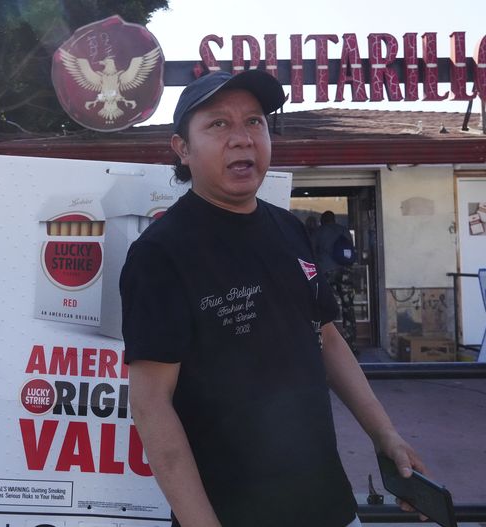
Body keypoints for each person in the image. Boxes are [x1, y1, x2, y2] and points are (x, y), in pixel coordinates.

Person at [120, 70, 425, 527]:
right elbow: (151, 406)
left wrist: (386, 435)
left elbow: (327, 338)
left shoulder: (289, 229)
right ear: (182, 148)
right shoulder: (161, 253)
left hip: (329, 506)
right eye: (218, 124)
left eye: (255, 122)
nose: (242, 139)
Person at [313, 210, 358, 352]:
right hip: (345, 272)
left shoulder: (319, 232)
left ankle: (326, 343)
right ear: (334, 219)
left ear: (322, 220)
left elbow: (311, 251)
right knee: (348, 306)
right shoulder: (343, 231)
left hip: (326, 272)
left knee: (323, 306)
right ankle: (350, 342)